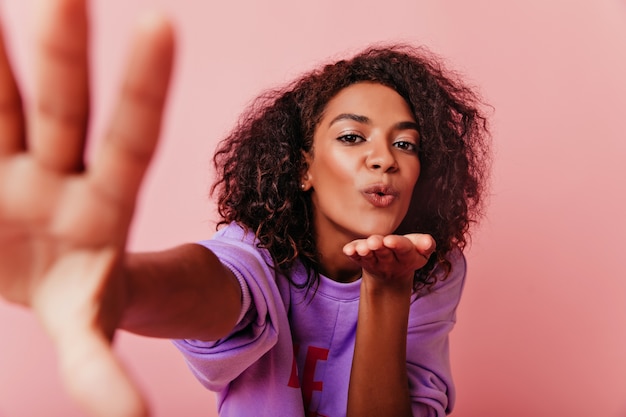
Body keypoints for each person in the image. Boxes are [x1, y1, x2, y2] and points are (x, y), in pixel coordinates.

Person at [0, 1, 490, 416]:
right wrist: (117, 284)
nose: (384, 158)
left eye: (405, 144)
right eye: (351, 137)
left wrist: (388, 287)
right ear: (304, 169)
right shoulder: (256, 255)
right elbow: (206, 286)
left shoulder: (430, 271)